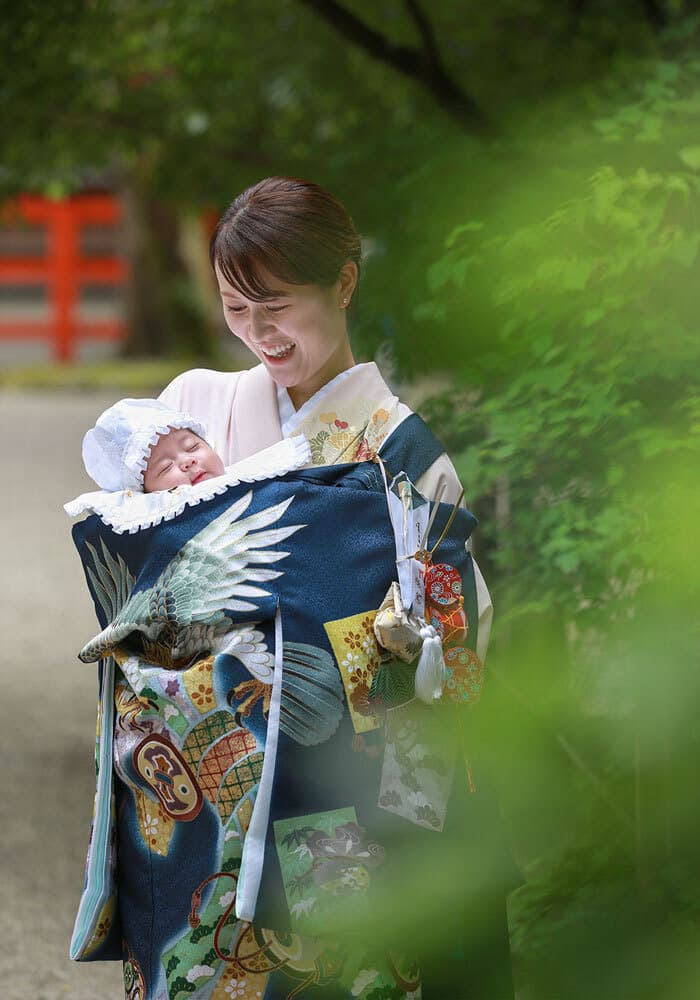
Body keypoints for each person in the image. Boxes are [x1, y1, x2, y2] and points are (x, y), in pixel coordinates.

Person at [157, 176, 515, 998]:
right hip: (226, 775)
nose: (257, 333)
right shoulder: (198, 421)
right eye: (235, 307)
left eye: (275, 304)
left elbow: (449, 660)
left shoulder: (407, 457)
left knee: (336, 971)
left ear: (344, 281)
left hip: (345, 789)